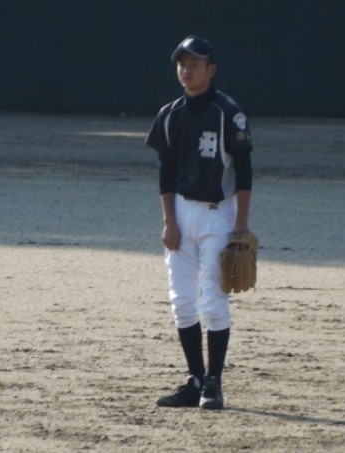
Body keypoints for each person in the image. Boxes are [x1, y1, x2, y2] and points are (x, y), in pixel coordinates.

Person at [145, 36, 253, 410]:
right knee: (182, 300)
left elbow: (244, 172)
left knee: (214, 300)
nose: (186, 71)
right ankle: (194, 380)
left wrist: (241, 225)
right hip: (180, 211)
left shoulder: (228, 113)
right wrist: (169, 221)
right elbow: (165, 171)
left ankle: (213, 384)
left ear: (211, 70)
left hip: (218, 214)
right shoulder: (170, 114)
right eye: (182, 64)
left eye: (195, 64)